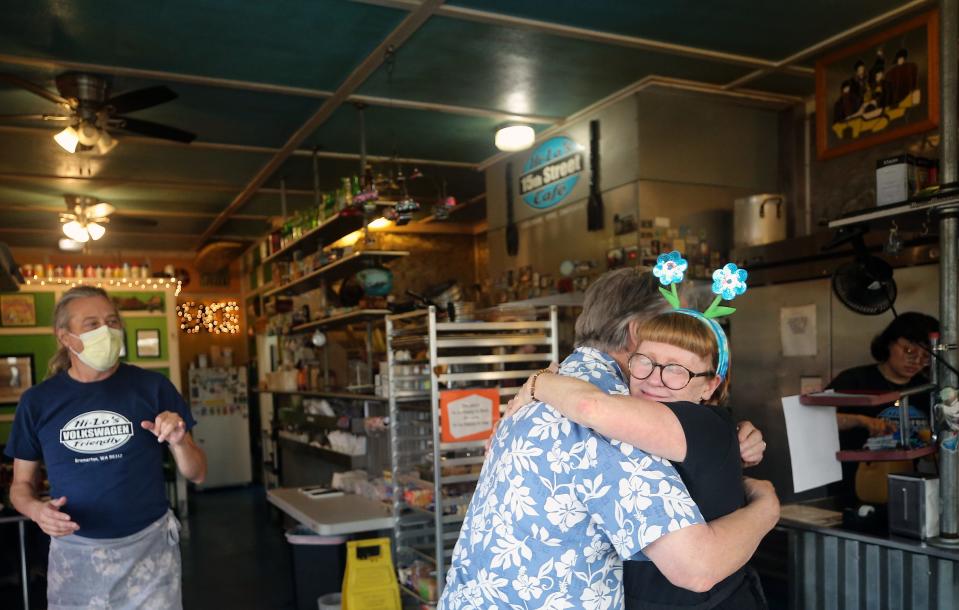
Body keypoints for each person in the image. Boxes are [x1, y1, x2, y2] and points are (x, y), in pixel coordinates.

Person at [438, 267, 779, 610]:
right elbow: (696, 566)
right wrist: (767, 505)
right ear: (638, 332)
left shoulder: (537, 396)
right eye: (675, 322)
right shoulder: (620, 420)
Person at [507, 308, 767, 608]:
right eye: (646, 361)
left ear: (710, 385)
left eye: (676, 369)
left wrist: (539, 383)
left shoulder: (704, 423)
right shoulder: (669, 424)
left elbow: (590, 406)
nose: (654, 379)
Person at [4, 286, 206, 610]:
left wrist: (180, 441)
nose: (107, 331)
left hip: (150, 550)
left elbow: (197, 473)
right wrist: (36, 510)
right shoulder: (37, 402)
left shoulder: (153, 388)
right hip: (76, 555)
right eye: (92, 324)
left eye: (112, 321)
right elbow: (20, 487)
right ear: (65, 338)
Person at [827, 312, 939, 503]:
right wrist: (860, 420)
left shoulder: (927, 389)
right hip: (851, 490)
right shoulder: (854, 380)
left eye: (926, 356)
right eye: (909, 351)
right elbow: (815, 422)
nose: (917, 361)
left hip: (906, 492)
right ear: (889, 343)